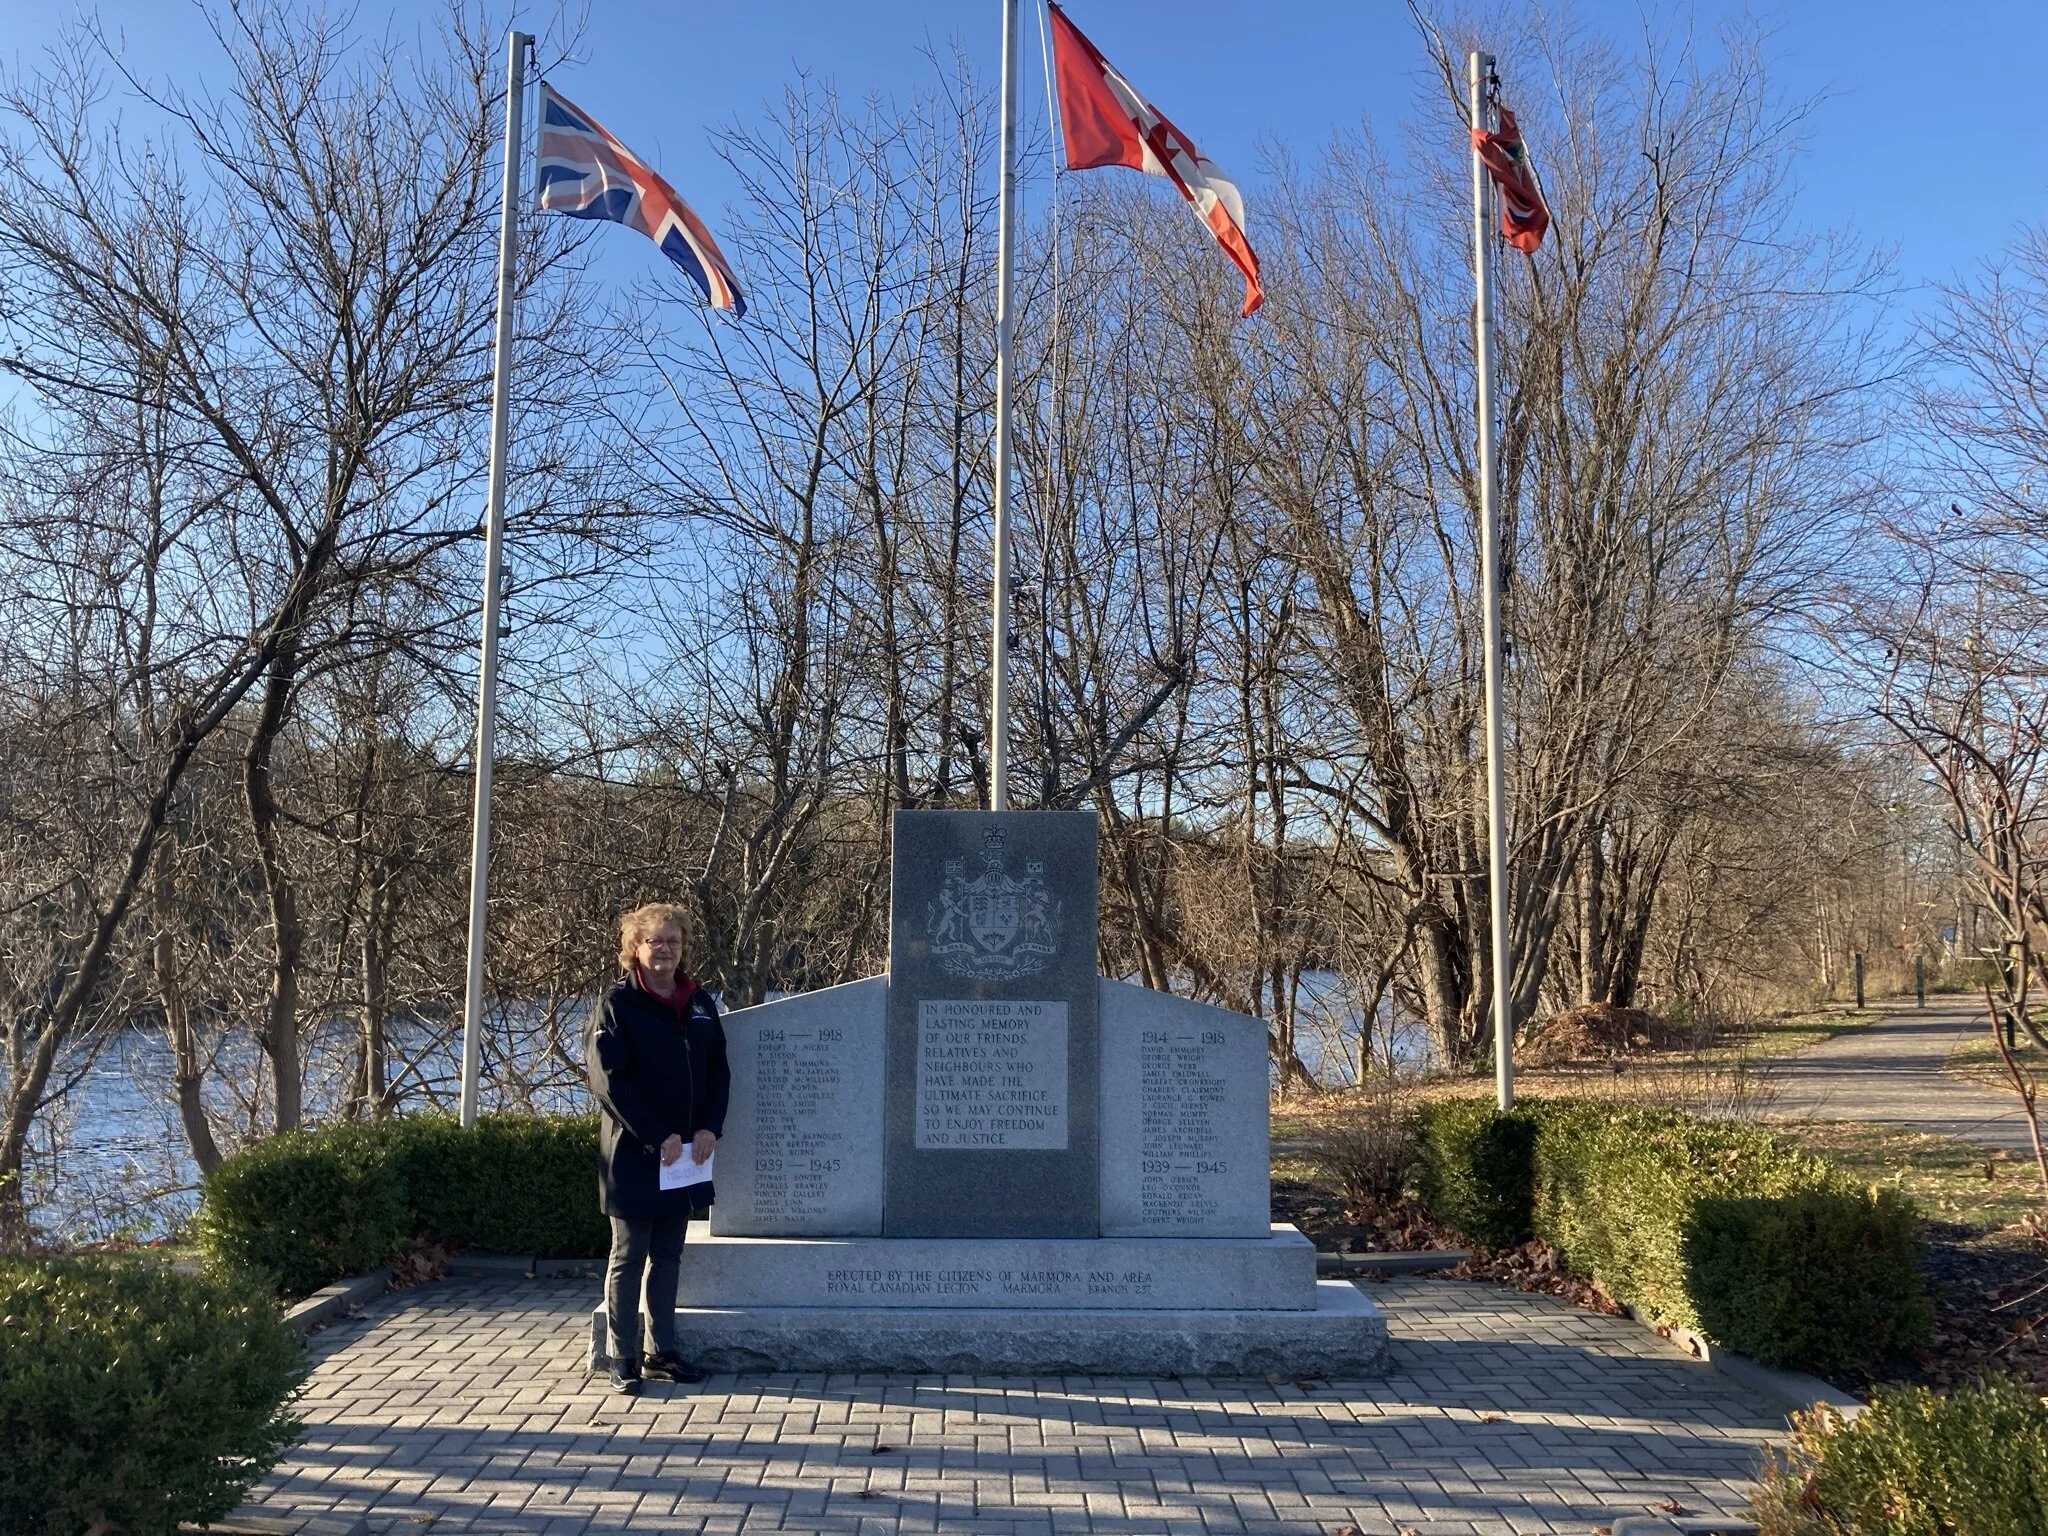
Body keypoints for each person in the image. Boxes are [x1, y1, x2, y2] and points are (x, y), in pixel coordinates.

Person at [585, 901, 729, 1395]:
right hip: (635, 1155)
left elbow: (719, 1073)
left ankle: (661, 1352)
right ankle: (622, 1357)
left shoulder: (701, 1003)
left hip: (686, 1158)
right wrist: (656, 1134)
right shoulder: (617, 1005)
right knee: (629, 1257)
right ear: (635, 947)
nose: (665, 949)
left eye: (674, 940)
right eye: (655, 941)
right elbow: (608, 1081)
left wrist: (710, 1128)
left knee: (668, 1257)